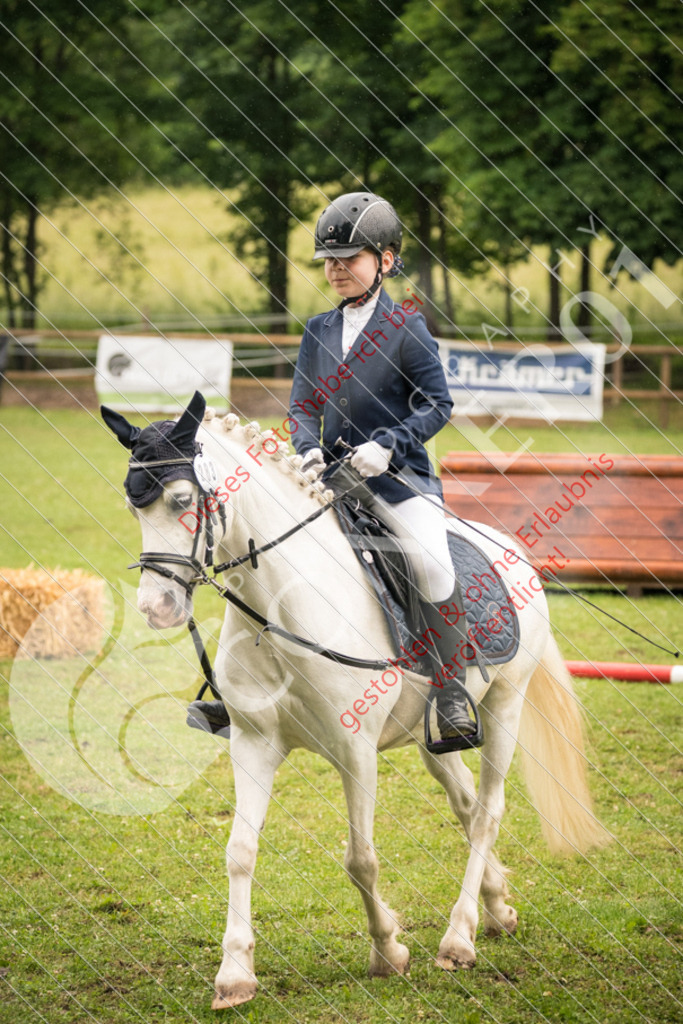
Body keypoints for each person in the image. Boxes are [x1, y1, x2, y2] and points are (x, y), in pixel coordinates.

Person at [288, 192, 481, 750]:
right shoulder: (318, 329)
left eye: (349, 258)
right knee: (267, 548)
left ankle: (450, 691)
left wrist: (389, 446)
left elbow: (437, 404)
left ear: (386, 260)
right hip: (331, 483)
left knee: (431, 563)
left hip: (400, 483)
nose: (336, 268)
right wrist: (306, 448)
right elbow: (302, 406)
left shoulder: (406, 327)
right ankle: (241, 687)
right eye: (329, 260)